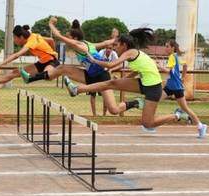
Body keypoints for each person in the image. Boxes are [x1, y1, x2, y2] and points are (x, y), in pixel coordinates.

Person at [63, 28, 191, 131]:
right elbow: (138, 70)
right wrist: (125, 79)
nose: (114, 48)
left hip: (153, 88)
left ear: (124, 45)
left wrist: (91, 58)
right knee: (111, 83)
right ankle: (77, 89)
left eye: (116, 45)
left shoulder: (130, 52)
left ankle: (179, 115)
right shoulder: (132, 53)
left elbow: (111, 65)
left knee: (148, 124)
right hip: (144, 83)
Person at [21, 17, 143, 115]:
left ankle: (135, 103)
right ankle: (31, 78)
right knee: (62, 68)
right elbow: (106, 42)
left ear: (74, 38)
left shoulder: (79, 46)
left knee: (114, 110)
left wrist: (51, 24)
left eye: (68, 38)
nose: (67, 41)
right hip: (89, 75)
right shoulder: (89, 44)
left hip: (102, 77)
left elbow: (58, 36)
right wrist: (117, 37)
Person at [0, 25, 59, 92]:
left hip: (52, 61)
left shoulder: (31, 42)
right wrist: (53, 51)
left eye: (14, 38)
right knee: (15, 72)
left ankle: (30, 78)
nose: (14, 40)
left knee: (47, 74)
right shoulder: (34, 36)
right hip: (42, 62)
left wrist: (0, 64)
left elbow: (17, 55)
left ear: (21, 37)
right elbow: (51, 40)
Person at [158, 39, 207, 138]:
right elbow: (185, 65)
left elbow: (168, 71)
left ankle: (200, 125)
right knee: (155, 100)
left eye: (167, 46)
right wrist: (182, 77)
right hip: (170, 86)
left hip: (176, 87)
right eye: (165, 46)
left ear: (172, 48)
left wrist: (158, 65)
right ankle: (152, 123)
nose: (165, 48)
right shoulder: (176, 56)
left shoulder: (172, 56)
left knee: (185, 108)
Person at [88, 45, 119, 116]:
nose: (108, 50)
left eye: (110, 48)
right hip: (96, 73)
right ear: (105, 48)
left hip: (105, 74)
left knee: (105, 95)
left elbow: (119, 64)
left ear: (112, 49)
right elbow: (96, 63)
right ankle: (94, 114)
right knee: (93, 94)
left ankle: (104, 114)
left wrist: (111, 69)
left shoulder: (114, 54)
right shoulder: (101, 53)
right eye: (107, 48)